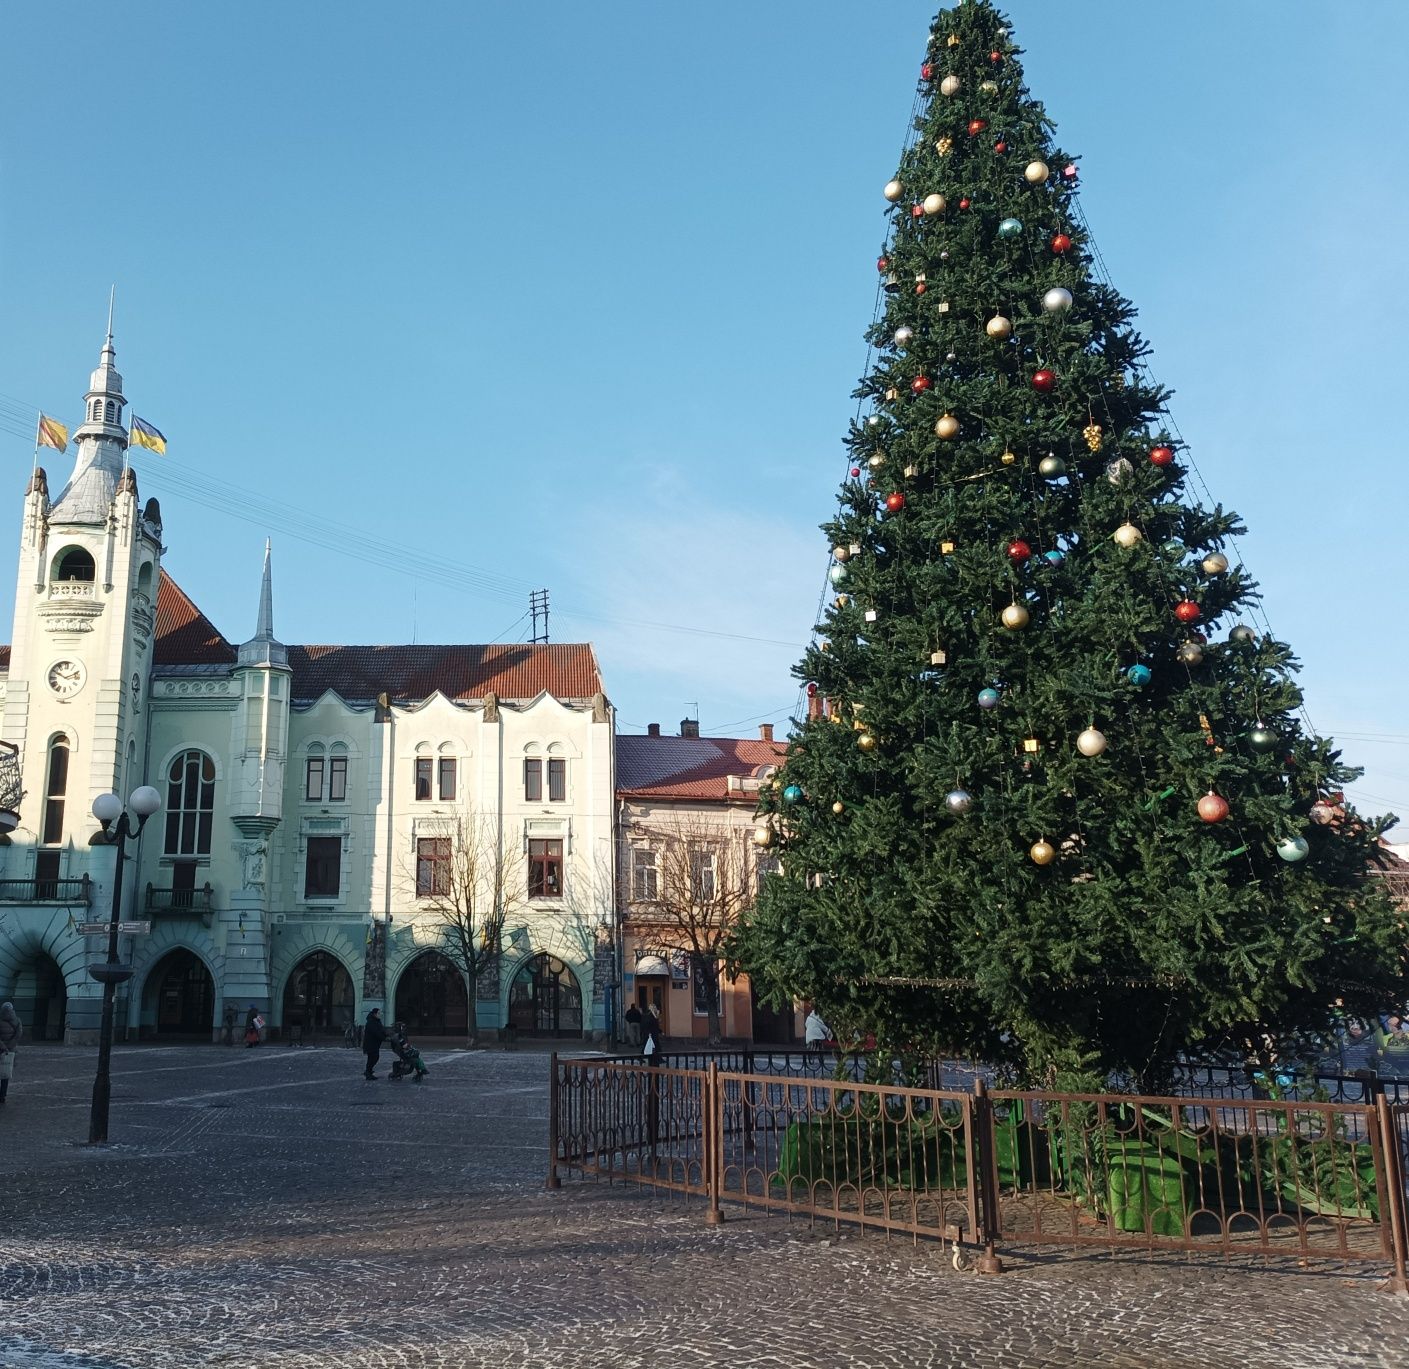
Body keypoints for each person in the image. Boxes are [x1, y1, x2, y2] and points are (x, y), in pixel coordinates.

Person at [0, 1001, 21, 1104]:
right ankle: (2, 1095)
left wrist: (3, 1046)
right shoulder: (17, 1020)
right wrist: (9, 1046)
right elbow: (18, 1035)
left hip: (1, 1050)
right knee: (5, 1073)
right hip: (11, 1051)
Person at [363, 1007, 386, 1080]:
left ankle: (368, 1071)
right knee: (373, 1057)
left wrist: (386, 1034)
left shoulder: (376, 1020)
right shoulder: (371, 1022)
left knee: (372, 1058)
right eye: (379, 1013)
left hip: (374, 1043)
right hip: (370, 1043)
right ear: (375, 1014)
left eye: (380, 1013)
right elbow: (376, 1033)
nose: (380, 1014)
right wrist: (384, 1038)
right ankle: (368, 1072)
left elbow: (381, 1030)